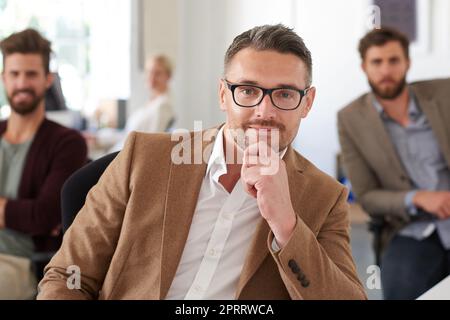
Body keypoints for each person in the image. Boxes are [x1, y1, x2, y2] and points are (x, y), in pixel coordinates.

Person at [38, 24, 366, 300]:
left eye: (284, 94)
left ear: (306, 103)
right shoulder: (144, 157)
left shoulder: (325, 197)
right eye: (248, 91)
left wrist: (286, 225)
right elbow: (68, 276)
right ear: (223, 94)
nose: (264, 111)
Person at [338, 27, 450, 300]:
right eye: (377, 62)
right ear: (364, 66)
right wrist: (418, 197)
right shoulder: (350, 119)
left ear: (407, 63)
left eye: (394, 60)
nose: (385, 70)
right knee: (401, 288)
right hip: (410, 227)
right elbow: (368, 197)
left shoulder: (445, 93)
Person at [0, 28, 87, 299]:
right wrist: (18, 213)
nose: (22, 83)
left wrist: (35, 215)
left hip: (22, 263)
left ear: (48, 79)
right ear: (4, 78)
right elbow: (35, 214)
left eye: (31, 74)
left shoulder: (67, 142)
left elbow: (45, 215)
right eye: (14, 74)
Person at [95, 54, 175, 152]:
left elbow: (152, 143)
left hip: (126, 158)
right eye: (149, 72)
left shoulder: (163, 106)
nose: (152, 77)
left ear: (168, 76)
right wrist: (98, 138)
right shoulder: (151, 104)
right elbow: (126, 135)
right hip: (119, 152)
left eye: (157, 73)